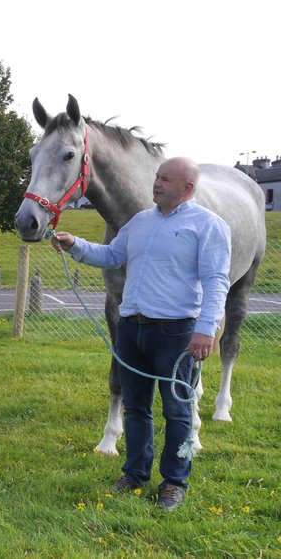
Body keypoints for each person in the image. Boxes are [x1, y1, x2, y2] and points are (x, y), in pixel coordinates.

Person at [51, 156, 231, 510]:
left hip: (177, 333)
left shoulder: (208, 226)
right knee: (135, 408)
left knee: (177, 411)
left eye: (166, 179)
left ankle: (175, 482)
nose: (157, 183)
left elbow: (216, 281)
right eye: (157, 177)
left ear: (187, 188)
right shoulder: (139, 222)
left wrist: (206, 330)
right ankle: (135, 474)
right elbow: (112, 255)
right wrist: (75, 244)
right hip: (132, 328)